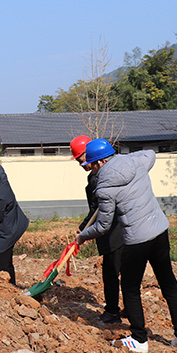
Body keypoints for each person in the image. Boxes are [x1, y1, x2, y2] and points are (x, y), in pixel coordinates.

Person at [76, 139, 177, 353]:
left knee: (129, 288)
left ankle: (139, 339)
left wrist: (82, 236)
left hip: (137, 239)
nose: (91, 169)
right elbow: (150, 153)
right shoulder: (137, 163)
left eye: (91, 165)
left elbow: (102, 226)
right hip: (159, 231)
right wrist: (128, 157)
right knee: (169, 284)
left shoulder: (103, 187)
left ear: (100, 163)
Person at [70, 135, 124, 324]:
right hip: (116, 228)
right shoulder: (95, 176)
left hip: (113, 231)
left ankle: (112, 312)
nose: (80, 163)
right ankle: (126, 309)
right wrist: (83, 227)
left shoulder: (99, 178)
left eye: (80, 158)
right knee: (121, 272)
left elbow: (97, 210)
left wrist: (84, 229)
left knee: (111, 273)